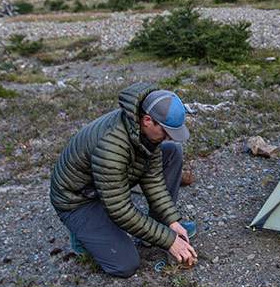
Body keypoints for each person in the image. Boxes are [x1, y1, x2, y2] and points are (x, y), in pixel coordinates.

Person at [49, 82, 197, 275]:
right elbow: (119, 209)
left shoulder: (144, 132)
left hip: (106, 182)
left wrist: (171, 222)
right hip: (79, 199)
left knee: (172, 152)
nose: (169, 137)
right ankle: (82, 234)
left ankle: (154, 228)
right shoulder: (111, 146)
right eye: (166, 132)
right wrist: (168, 241)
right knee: (125, 265)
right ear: (147, 120)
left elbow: (153, 179)